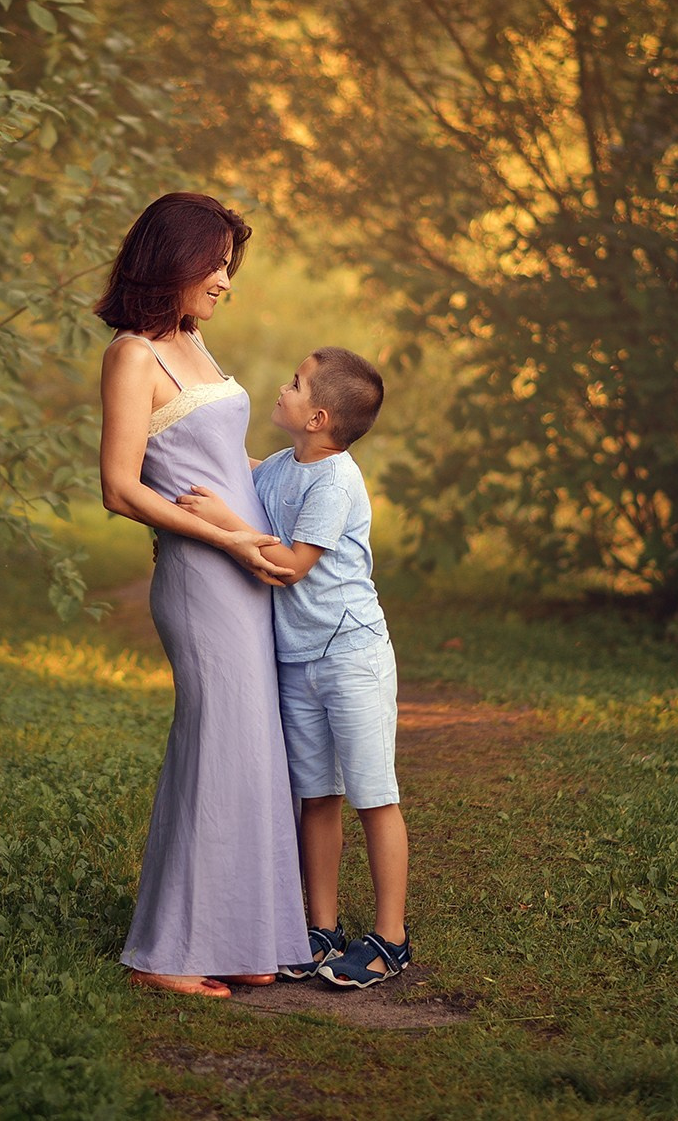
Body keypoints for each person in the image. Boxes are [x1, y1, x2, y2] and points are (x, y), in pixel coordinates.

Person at [96, 192, 314, 1000]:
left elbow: (223, 460)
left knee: (255, 749)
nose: (226, 280)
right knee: (217, 745)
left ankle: (244, 931)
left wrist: (302, 485)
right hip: (200, 575)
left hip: (244, 564)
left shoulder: (192, 343)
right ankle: (169, 950)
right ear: (174, 260)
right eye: (215, 263)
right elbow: (120, 488)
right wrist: (224, 538)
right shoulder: (132, 355)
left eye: (230, 265)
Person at [175, 347, 412, 989]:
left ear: (320, 417)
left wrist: (225, 524)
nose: (283, 387)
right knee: (317, 794)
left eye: (297, 384)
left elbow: (289, 565)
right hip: (297, 657)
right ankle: (321, 928)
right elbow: (246, 475)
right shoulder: (284, 466)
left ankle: (391, 938)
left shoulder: (337, 481)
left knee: (372, 792)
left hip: (350, 655)